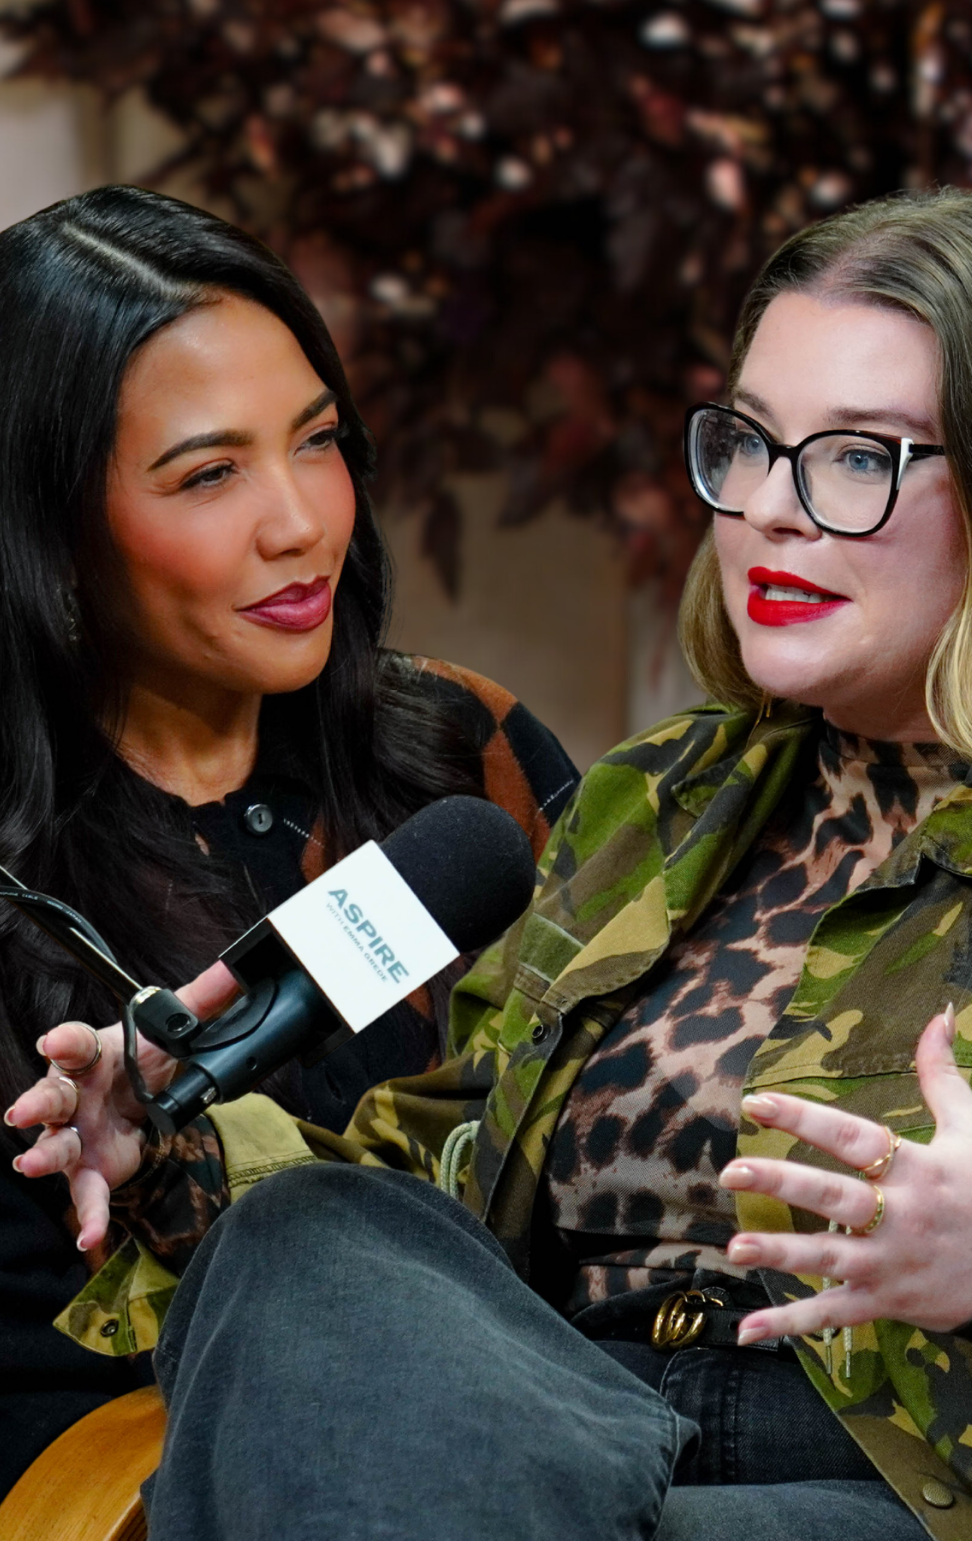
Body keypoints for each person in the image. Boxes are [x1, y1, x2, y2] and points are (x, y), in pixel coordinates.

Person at [12, 187, 972, 1540]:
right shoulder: (655, 804)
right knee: (311, 1236)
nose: (769, 510)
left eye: (859, 458)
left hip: (910, 1482)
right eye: (750, 444)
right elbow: (441, 1202)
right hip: (559, 1439)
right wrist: (175, 1149)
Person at [0, 184, 577, 1501]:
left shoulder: (467, 751)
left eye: (314, 442)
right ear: (50, 529)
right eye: (210, 473)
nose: (300, 521)